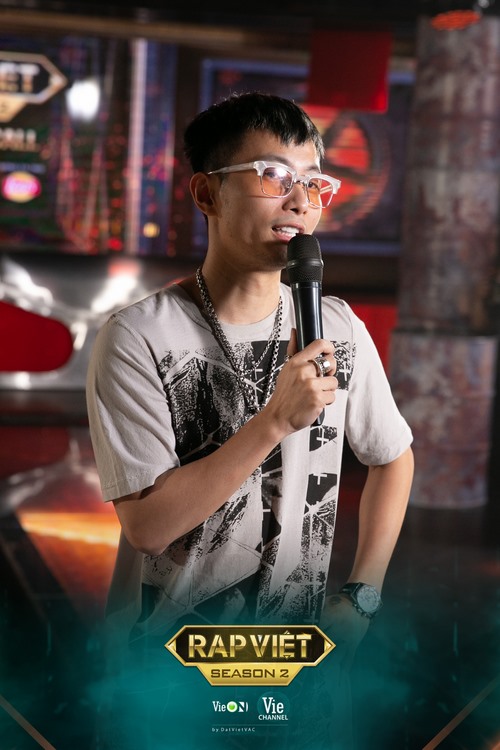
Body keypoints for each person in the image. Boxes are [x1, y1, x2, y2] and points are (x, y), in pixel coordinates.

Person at [86, 92, 413, 748]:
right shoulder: (138, 336)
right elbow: (148, 527)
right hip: (176, 664)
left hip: (301, 662)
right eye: (272, 176)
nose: (300, 200)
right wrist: (273, 422)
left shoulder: (337, 327)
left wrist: (363, 596)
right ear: (207, 194)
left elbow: (393, 456)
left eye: (314, 182)